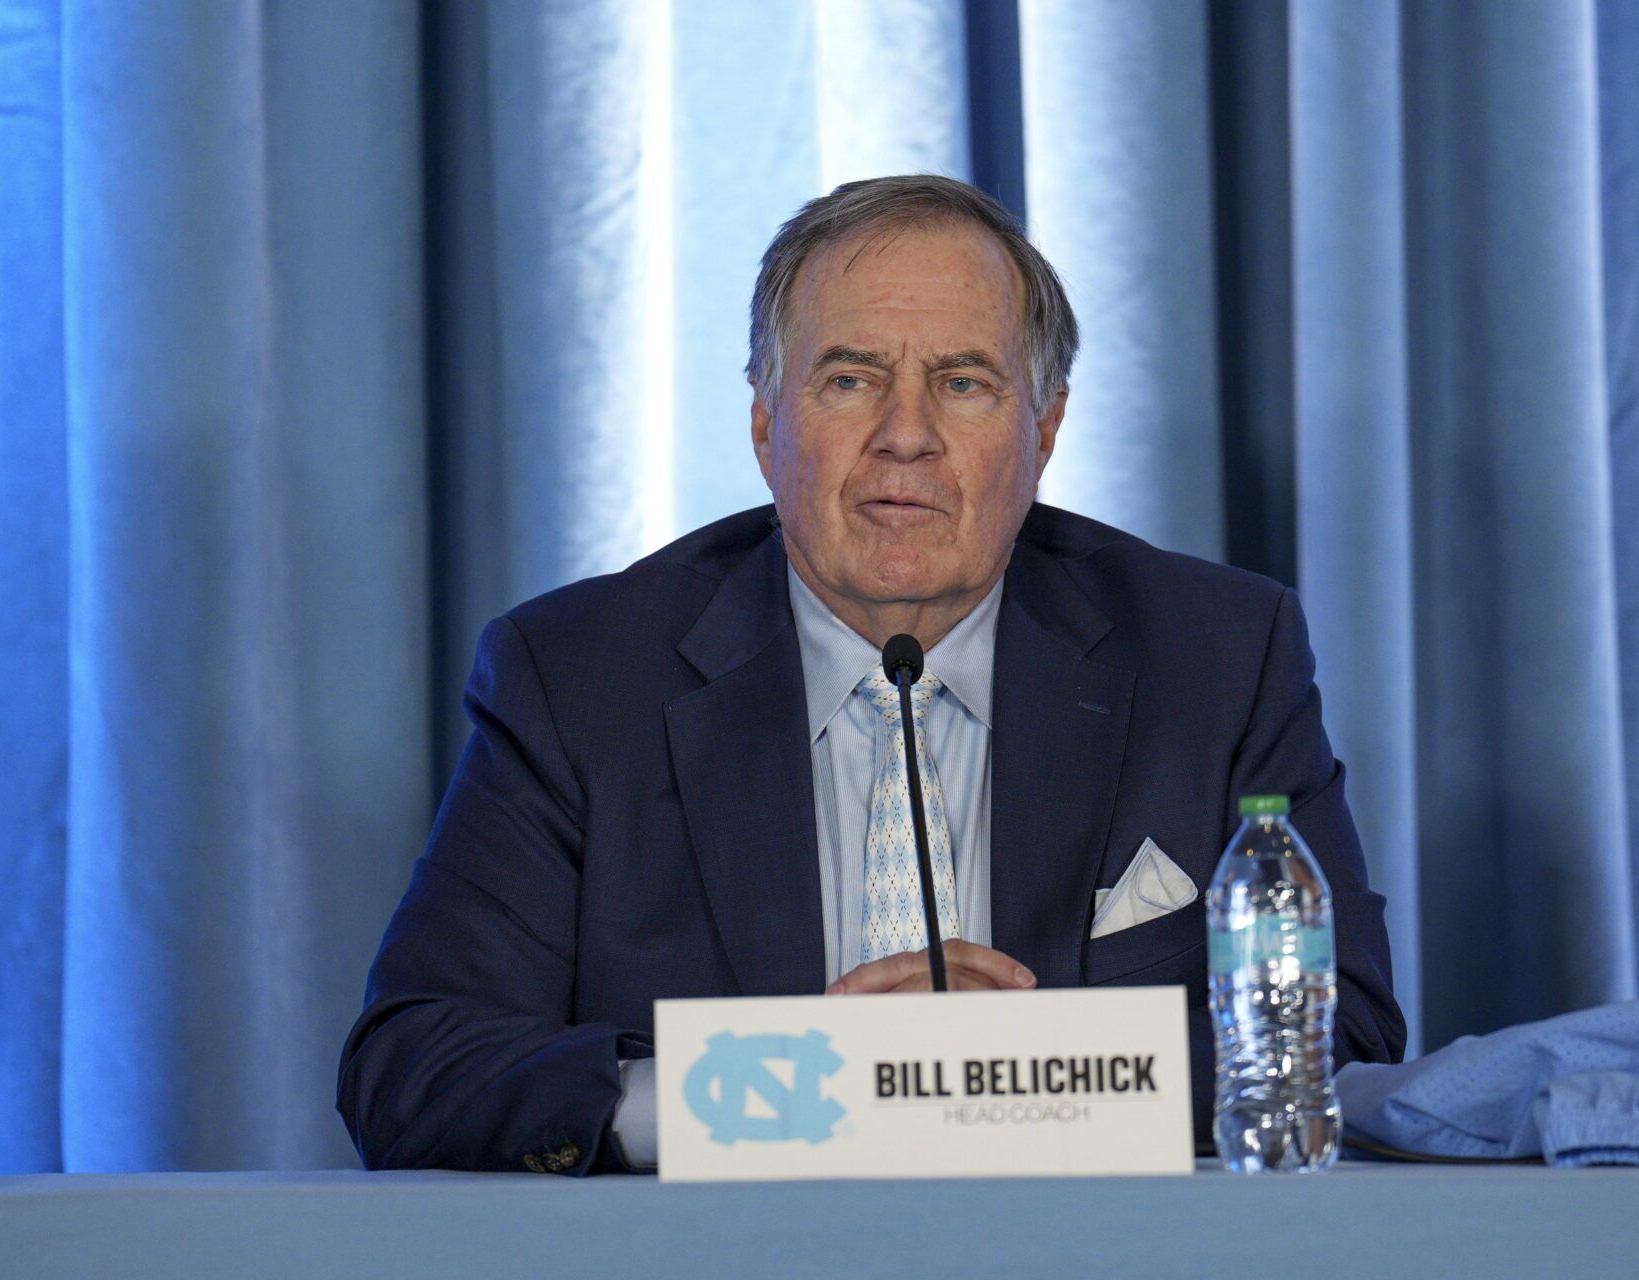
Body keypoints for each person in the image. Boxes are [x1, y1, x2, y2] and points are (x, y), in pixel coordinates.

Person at [337, 174, 1405, 1174]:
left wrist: (1012, 1080)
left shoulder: (1215, 653)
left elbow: (1338, 1030)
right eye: (850, 379)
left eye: (964, 382)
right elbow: (414, 1065)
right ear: (766, 420)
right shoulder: (578, 676)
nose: (907, 436)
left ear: (1045, 427)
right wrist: (789, 1089)